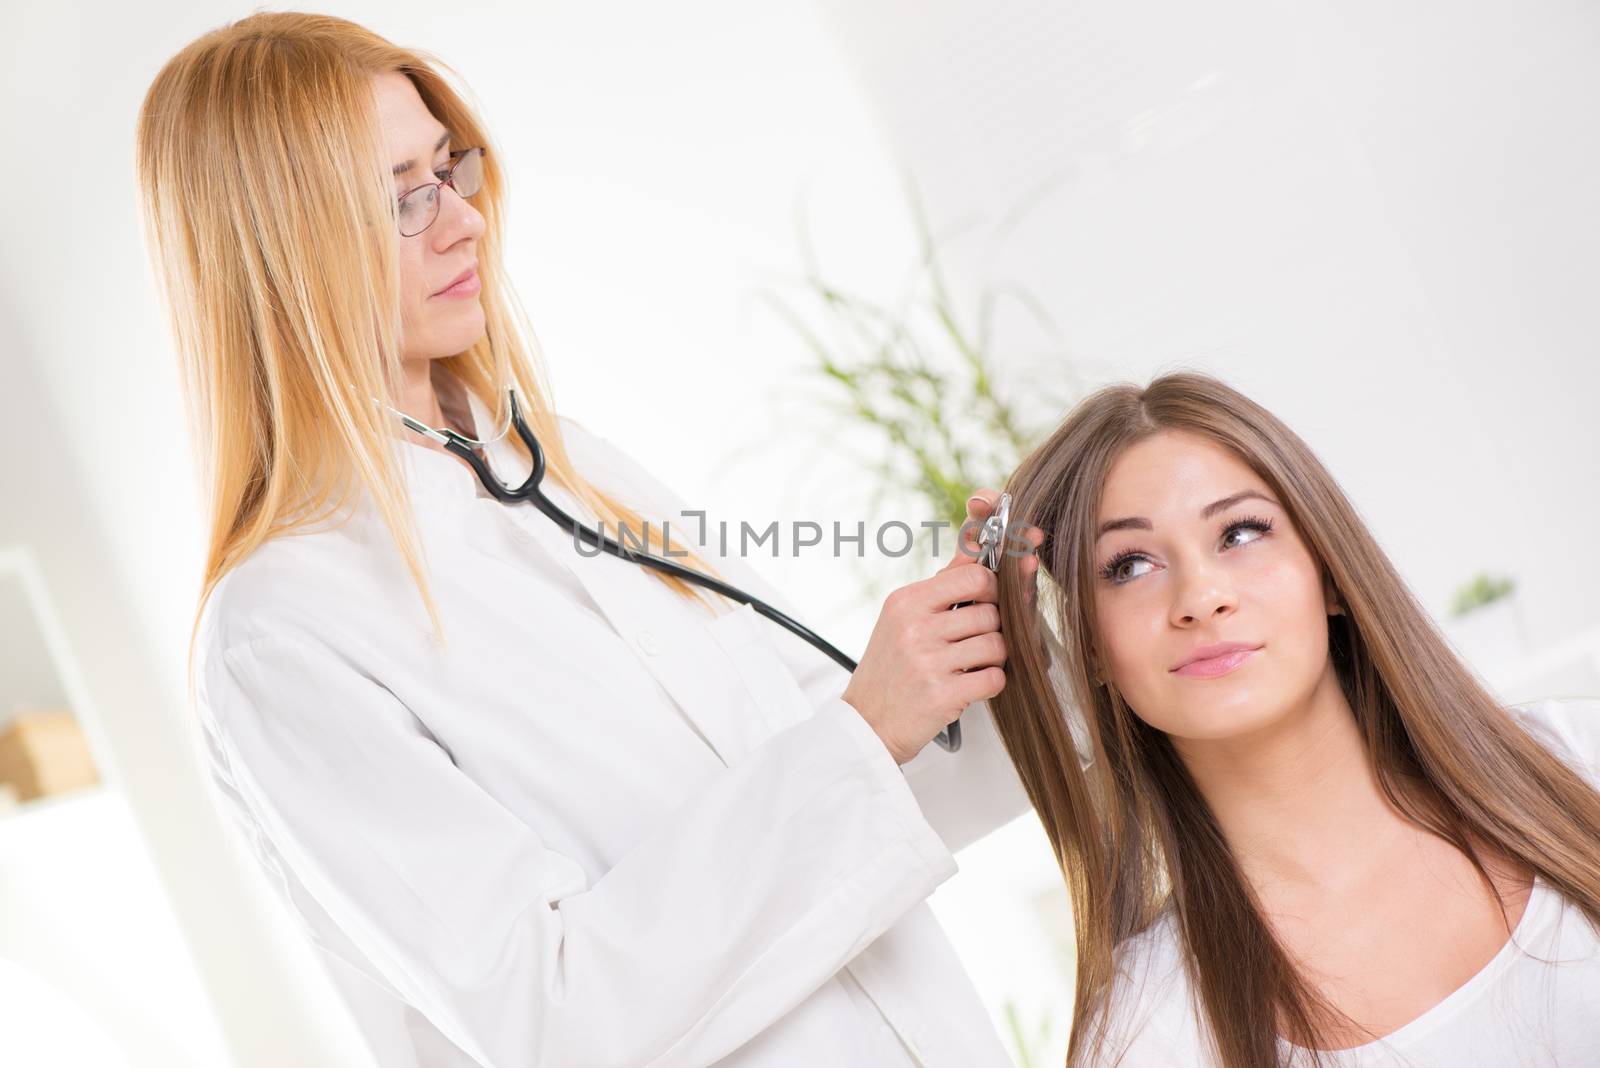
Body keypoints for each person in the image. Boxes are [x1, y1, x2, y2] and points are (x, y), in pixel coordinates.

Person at [134, 12, 1051, 1068]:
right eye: (400, 200)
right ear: (277, 255)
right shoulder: (283, 630)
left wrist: (1008, 655)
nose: (463, 223)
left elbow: (858, 796)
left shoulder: (572, 467)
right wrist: (862, 736)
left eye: (449, 169)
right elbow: (546, 1018)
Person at [983, 371, 1600, 1066]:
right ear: (1088, 645)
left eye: (1240, 533)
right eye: (1128, 566)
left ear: (1329, 571)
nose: (1201, 596)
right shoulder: (1145, 1032)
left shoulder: (1582, 764)